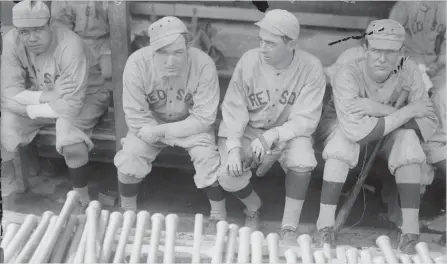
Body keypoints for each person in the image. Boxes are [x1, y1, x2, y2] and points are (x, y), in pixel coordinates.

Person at [313, 19, 439, 253]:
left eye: (390, 52)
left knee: (409, 142)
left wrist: (383, 110)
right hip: (341, 128)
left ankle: (410, 232)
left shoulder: (410, 70)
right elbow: (355, 131)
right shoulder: (348, 70)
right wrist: (407, 112)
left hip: (387, 131)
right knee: (342, 143)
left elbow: (428, 125)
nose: (382, 58)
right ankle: (325, 225)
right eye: (376, 50)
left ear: (401, 52)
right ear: (365, 50)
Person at [217, 9, 326, 235]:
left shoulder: (311, 67)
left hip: (289, 133)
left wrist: (274, 135)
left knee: (303, 160)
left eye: (271, 44)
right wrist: (235, 147)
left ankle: (289, 226)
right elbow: (233, 108)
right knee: (227, 174)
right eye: (261, 41)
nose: (263, 48)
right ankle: (253, 206)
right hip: (251, 129)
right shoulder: (249, 60)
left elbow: (305, 120)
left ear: (291, 44)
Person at [113, 16, 223, 228]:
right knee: (131, 155)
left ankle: (219, 215)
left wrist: (163, 131)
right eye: (162, 52)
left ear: (188, 46)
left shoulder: (203, 64)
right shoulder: (137, 64)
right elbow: (136, 116)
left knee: (207, 157)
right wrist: (155, 131)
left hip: (190, 124)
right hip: (151, 122)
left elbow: (204, 118)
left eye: (178, 52)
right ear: (151, 49)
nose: (170, 61)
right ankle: (127, 211)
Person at [1, 0, 110, 206]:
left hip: (87, 97)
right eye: (24, 32)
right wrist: (46, 97)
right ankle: (8, 190)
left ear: (50, 24)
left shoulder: (70, 44)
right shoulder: (11, 40)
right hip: (44, 95)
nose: (31, 38)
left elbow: (70, 105)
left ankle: (81, 200)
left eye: (38, 30)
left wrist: (29, 106)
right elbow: (8, 94)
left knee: (70, 138)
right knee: (4, 123)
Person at [389, 0, 446, 246]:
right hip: (404, 68)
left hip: (437, 69)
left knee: (441, 105)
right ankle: (400, 216)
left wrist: (438, 64)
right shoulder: (404, 6)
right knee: (408, 145)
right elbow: (387, 41)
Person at [51, 0, 112, 79]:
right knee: (74, 74)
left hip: (106, 42)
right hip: (78, 41)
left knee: (108, 72)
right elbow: (60, 25)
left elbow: (121, 22)